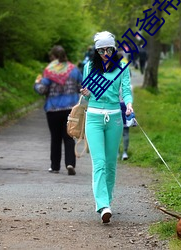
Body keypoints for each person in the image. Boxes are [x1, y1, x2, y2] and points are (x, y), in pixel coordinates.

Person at [80, 31, 133, 223]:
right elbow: (86, 96)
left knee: (111, 164)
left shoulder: (122, 67)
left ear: (114, 48)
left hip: (115, 118)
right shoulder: (89, 67)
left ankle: (107, 201)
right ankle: (102, 205)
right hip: (93, 117)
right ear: (96, 50)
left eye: (108, 49)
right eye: (100, 50)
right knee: (99, 163)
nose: (105, 53)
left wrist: (129, 104)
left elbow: (126, 90)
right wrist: (85, 92)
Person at [34, 45, 82, 175]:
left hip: (53, 109)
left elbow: (42, 90)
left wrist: (37, 83)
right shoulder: (74, 70)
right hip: (70, 109)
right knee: (69, 137)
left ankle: (55, 167)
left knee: (55, 138)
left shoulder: (49, 71)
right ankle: (70, 163)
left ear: (53, 57)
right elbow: (81, 87)